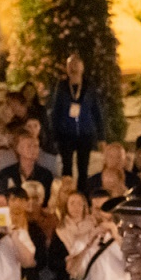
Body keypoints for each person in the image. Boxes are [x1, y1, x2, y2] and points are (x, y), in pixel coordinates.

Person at [50, 53, 106, 188]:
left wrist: (101, 137)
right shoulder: (62, 86)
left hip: (85, 133)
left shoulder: (89, 87)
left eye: (76, 64)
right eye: (70, 65)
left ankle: (82, 195)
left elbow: (97, 111)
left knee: (83, 168)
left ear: (82, 67)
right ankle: (66, 194)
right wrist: (55, 134)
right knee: (67, 167)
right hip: (66, 134)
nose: (73, 68)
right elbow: (55, 112)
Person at [0, 131, 55, 196]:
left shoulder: (46, 175)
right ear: (19, 149)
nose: (33, 149)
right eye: (29, 146)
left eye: (36, 146)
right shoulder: (5, 174)